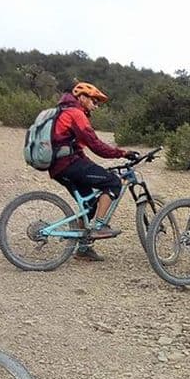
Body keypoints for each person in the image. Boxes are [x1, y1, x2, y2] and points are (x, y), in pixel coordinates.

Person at [49, 82, 139, 262]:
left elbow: (78, 150)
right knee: (113, 182)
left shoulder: (65, 112)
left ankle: (83, 249)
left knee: (88, 206)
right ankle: (99, 226)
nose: (96, 106)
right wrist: (122, 153)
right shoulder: (76, 114)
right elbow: (96, 145)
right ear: (82, 97)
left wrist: (93, 166)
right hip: (67, 164)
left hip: (59, 166)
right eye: (94, 101)